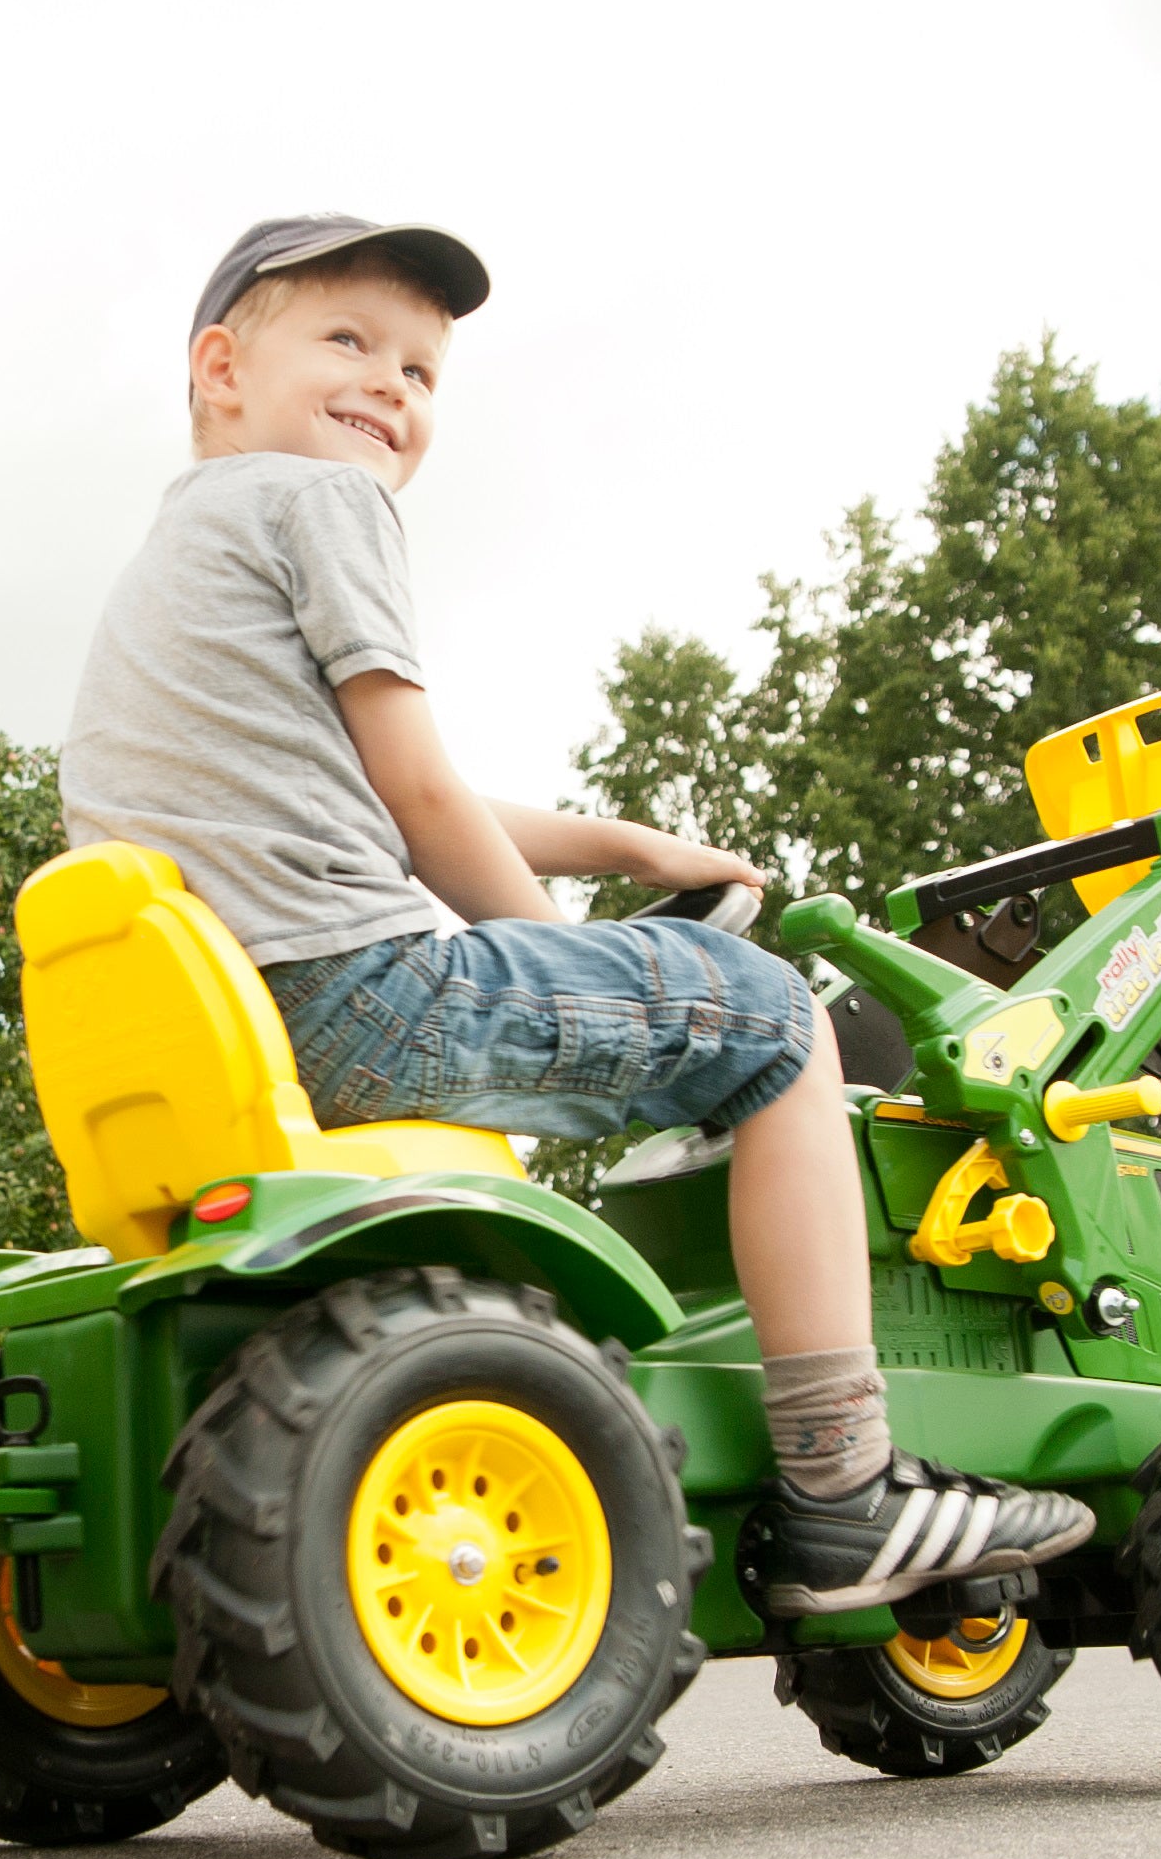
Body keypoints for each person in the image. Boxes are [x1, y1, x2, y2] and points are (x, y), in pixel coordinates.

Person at [57, 214, 1090, 1613]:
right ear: (221, 367)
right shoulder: (325, 505)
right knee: (778, 1025)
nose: (390, 387)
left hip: (241, 1019)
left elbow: (383, 794)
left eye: (421, 370)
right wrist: (546, 941)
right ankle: (845, 1485)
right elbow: (420, 805)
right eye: (349, 341)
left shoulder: (166, 567)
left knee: (694, 998)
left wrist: (616, 844)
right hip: (360, 994)